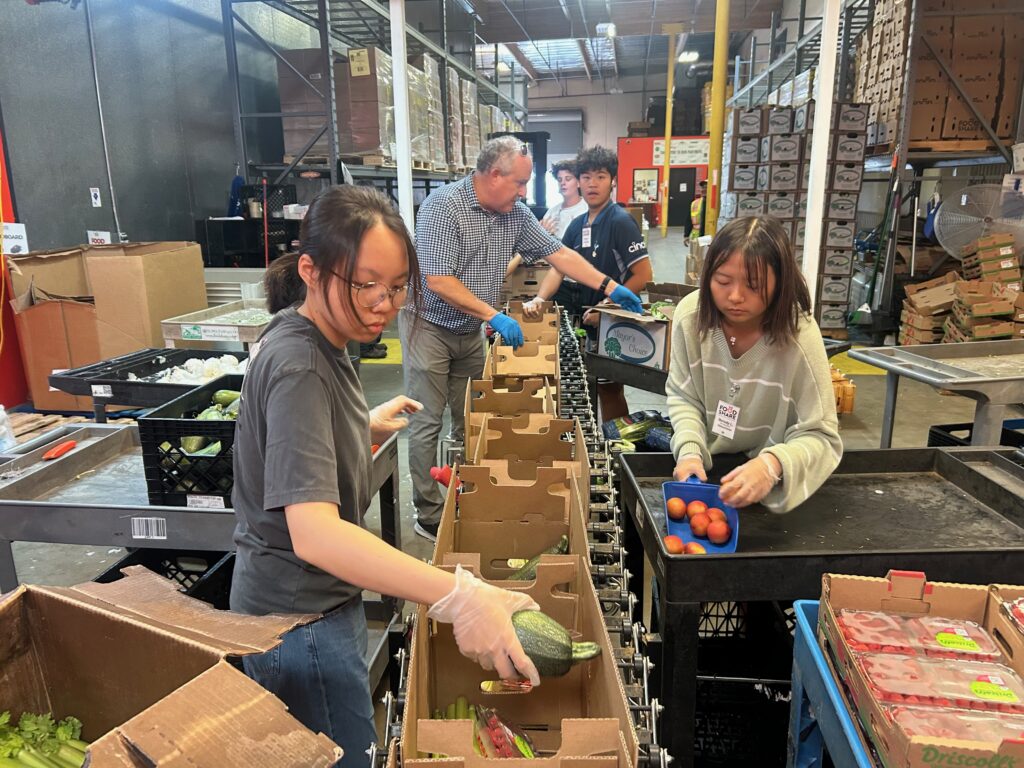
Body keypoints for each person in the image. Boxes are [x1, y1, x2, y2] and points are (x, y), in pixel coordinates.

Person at [230, 185, 542, 768]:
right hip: (300, 622)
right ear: (310, 271)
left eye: (398, 286)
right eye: (365, 284)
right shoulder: (300, 364)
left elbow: (283, 442)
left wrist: (357, 424)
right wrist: (458, 595)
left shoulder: (314, 334)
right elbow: (316, 535)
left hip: (309, 608)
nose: (384, 303)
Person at [400, 136, 643, 542]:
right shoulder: (444, 207)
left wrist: (608, 285)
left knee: (472, 416)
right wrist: (493, 315)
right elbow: (438, 279)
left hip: (469, 329)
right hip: (430, 326)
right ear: (494, 175)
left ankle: (467, 493)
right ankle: (428, 513)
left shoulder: (513, 214)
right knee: (426, 420)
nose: (524, 192)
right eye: (520, 182)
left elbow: (559, 255)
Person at [666, 216, 843, 512]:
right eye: (723, 281)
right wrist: (689, 450)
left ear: (780, 283)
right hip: (707, 473)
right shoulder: (691, 318)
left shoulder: (799, 336)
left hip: (775, 486)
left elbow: (822, 436)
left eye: (754, 285)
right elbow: (685, 397)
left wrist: (772, 464)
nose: (735, 296)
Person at [523, 145, 652, 421]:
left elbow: (643, 275)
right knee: (580, 383)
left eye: (601, 176)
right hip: (583, 313)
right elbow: (559, 268)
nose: (593, 184)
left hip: (610, 318)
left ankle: (615, 440)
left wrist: (605, 308)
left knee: (609, 388)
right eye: (587, 177)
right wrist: (539, 299)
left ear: (612, 180)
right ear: (579, 181)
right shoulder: (578, 224)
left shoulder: (620, 222)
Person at [541, 160, 588, 238]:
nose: (563, 183)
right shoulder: (552, 212)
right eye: (560, 180)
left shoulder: (587, 209)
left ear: (578, 182)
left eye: (568, 179)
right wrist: (544, 234)